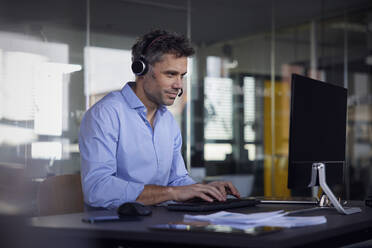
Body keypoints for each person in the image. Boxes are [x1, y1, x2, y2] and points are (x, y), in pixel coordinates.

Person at [79, 29, 240, 209]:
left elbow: (176, 179)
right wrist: (171, 193)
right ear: (141, 69)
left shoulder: (168, 121)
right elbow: (98, 189)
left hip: (160, 222)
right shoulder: (105, 114)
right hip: (115, 228)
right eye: (170, 74)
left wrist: (202, 190)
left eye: (182, 76)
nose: (179, 85)